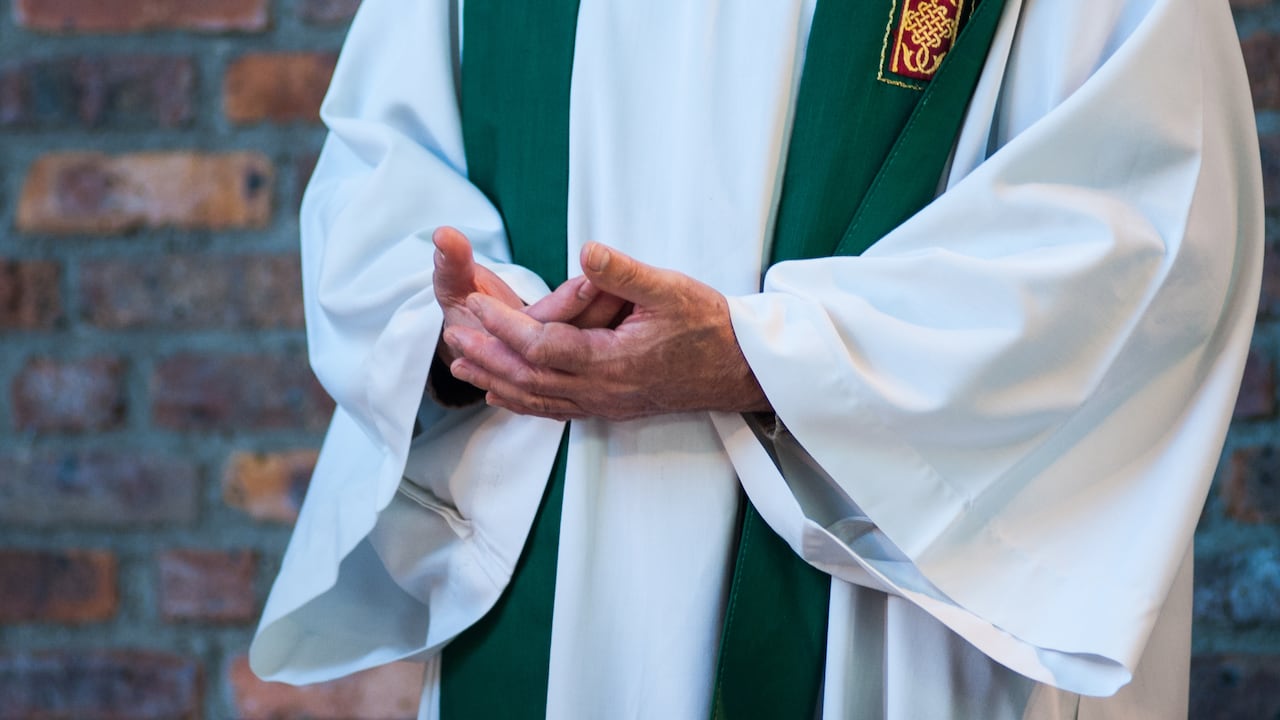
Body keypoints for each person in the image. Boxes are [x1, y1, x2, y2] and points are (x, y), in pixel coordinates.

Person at [249, 0, 1264, 717]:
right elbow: (380, 172)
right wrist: (460, 331)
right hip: (561, 572)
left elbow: (1140, 233)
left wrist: (765, 359)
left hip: (886, 605)